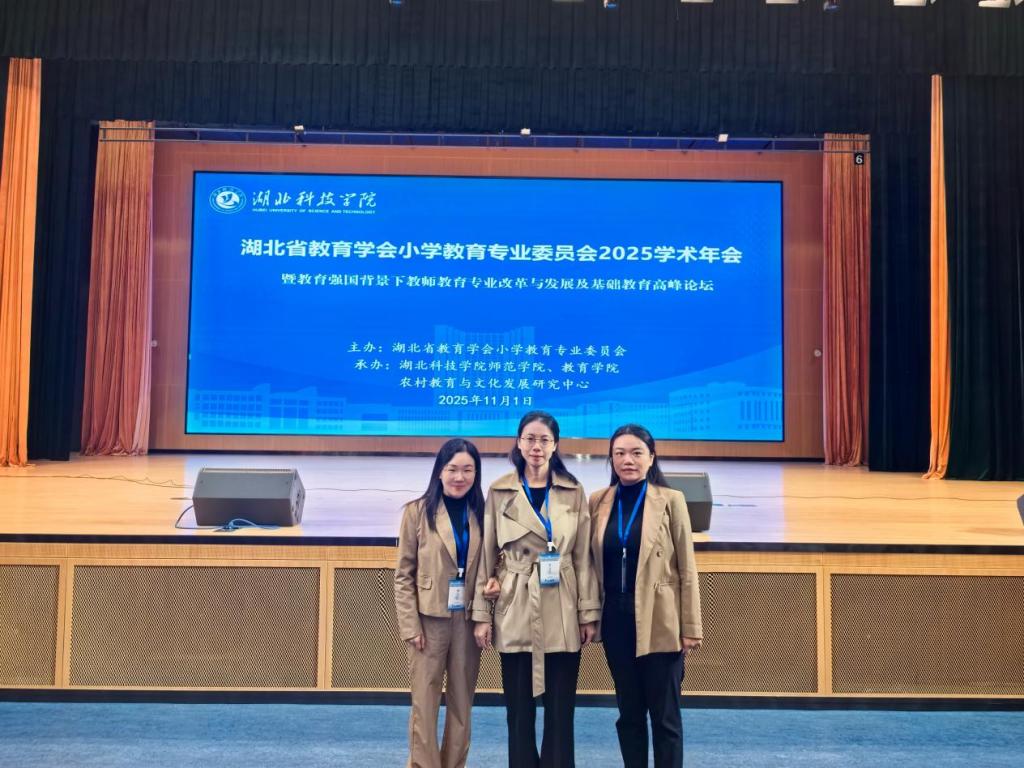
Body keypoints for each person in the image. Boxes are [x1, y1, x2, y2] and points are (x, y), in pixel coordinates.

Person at [472, 410, 600, 768]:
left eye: (544, 440)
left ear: (555, 445)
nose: (536, 446)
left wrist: (588, 613)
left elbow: (583, 557)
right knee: (518, 709)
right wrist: (481, 615)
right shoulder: (499, 490)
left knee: (561, 709)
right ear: (518, 442)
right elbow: (486, 554)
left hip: (562, 603)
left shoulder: (573, 490)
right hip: (515, 602)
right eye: (529, 438)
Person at [589, 424, 703, 768]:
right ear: (611, 459)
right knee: (629, 713)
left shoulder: (670, 501)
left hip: (660, 620)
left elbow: (687, 568)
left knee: (665, 717)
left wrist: (691, 627)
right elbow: (589, 565)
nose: (628, 460)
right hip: (616, 620)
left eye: (636, 452)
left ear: (651, 458)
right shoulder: (598, 501)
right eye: (620, 453)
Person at [394, 438, 486, 768]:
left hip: (467, 620)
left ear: (476, 474)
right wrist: (410, 626)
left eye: (468, 470)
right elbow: (403, 575)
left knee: (462, 704)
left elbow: (489, 568)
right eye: (452, 469)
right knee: (425, 702)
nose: (460, 477)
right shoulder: (416, 512)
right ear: (439, 472)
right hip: (428, 621)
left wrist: (484, 616)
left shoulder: (483, 513)